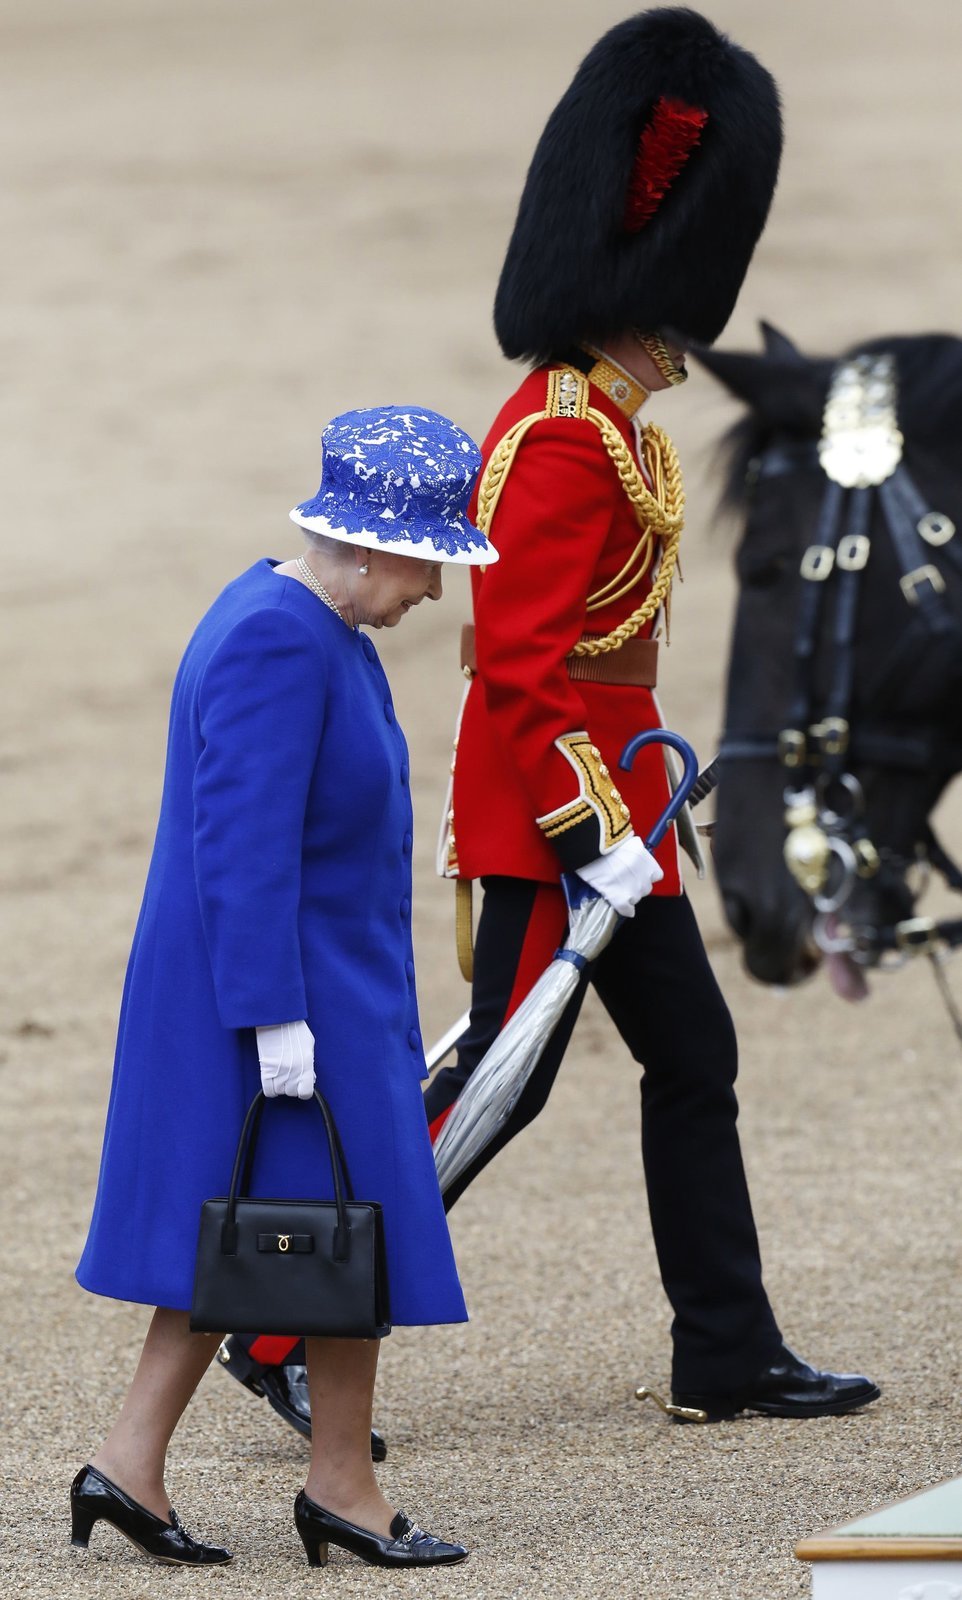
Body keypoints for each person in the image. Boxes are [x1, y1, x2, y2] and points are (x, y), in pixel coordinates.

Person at [217, 6, 880, 1437]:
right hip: (551, 817)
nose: (685, 337)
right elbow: (517, 667)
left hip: (614, 809)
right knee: (487, 1086)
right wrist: (593, 832)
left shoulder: (611, 424)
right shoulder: (566, 435)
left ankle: (724, 1347)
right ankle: (273, 1321)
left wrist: (630, 823)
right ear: (635, 294)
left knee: (693, 1061)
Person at [71, 406, 497, 1569]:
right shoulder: (280, 636)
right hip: (283, 999)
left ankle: (130, 1463)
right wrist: (272, 1018)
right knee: (343, 1240)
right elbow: (241, 846)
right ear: (365, 549)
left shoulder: (308, 625)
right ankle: (343, 1488)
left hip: (315, 991)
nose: (433, 592)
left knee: (251, 1240)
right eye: (426, 563)